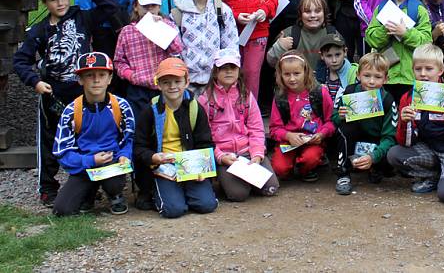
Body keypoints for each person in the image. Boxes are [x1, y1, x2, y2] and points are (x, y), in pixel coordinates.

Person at [13, 0, 116, 206]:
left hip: (82, 94)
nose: (60, 3)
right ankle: (48, 188)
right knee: (50, 141)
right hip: (52, 94)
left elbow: (111, 8)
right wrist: (35, 82)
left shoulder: (83, 17)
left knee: (84, 140)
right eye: (53, 0)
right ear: (45, 3)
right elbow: (20, 60)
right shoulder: (39, 31)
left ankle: (85, 187)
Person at [387, 44, 444, 203]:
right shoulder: (408, 98)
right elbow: (405, 142)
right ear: (412, 70)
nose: (423, 74)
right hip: (429, 149)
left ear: (440, 70)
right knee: (394, 154)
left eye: (429, 69)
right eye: (418, 69)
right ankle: (433, 176)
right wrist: (405, 122)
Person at [52, 52, 135, 216]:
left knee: (113, 182)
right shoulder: (71, 111)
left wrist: (125, 155)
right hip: (85, 164)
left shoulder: (121, 106)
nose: (96, 80)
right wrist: (89, 160)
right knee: (63, 210)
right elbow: (61, 151)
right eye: (89, 75)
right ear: (80, 79)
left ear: (110, 79)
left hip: (112, 162)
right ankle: (88, 194)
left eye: (102, 75)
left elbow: (130, 138)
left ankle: (115, 194)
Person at [134, 58, 218, 218]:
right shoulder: (150, 111)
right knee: (173, 210)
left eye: (177, 81)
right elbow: (139, 146)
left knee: (207, 205)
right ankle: (159, 193)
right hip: (162, 167)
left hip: (190, 166)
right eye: (166, 82)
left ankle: (184, 191)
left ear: (186, 82)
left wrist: (202, 169)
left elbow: (205, 143)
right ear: (158, 84)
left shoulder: (195, 108)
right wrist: (152, 157)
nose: (172, 86)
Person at [197, 49, 280, 201]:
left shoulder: (246, 96)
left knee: (271, 188)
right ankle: (225, 179)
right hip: (225, 156)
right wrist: (220, 156)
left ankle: (246, 179)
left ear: (238, 70)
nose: (228, 71)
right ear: (215, 72)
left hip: (248, 151)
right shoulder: (205, 100)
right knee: (238, 195)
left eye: (233, 68)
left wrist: (257, 154)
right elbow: (204, 136)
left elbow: (256, 128)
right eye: (223, 68)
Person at [365, 0, 433, 101]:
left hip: (411, 77)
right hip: (385, 77)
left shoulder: (419, 9)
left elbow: (427, 42)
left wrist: (405, 33)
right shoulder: (381, 8)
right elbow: (371, 39)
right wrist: (385, 30)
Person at [114, 0, 183, 120]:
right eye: (145, 6)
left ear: (159, 7)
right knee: (141, 126)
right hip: (138, 89)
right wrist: (130, 75)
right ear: (136, 6)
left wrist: (161, 28)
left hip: (164, 87)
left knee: (166, 124)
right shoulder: (127, 32)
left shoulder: (167, 25)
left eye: (153, 6)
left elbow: (177, 50)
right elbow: (119, 61)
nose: (149, 10)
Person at [332, 52, 397, 195]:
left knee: (390, 152)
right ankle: (343, 173)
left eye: (378, 77)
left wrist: (373, 157)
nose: (372, 82)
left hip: (376, 143)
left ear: (386, 79)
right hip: (353, 140)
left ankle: (376, 167)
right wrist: (340, 116)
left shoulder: (387, 100)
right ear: (358, 74)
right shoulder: (349, 92)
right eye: (367, 76)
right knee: (345, 128)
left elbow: (389, 137)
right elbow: (333, 118)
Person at [171, 0, 238, 96]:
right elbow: (174, 47)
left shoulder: (222, 10)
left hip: (215, 78)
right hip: (187, 79)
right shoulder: (178, 13)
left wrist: (227, 72)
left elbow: (231, 44)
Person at [269, 51, 335, 182]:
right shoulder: (280, 97)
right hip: (288, 141)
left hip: (313, 140)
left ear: (305, 72)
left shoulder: (319, 92)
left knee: (311, 158)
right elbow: (274, 128)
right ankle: (291, 165)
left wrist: (322, 134)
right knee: (280, 168)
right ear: (280, 75)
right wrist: (288, 136)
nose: (292, 79)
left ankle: (307, 168)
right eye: (287, 74)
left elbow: (331, 121)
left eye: (296, 73)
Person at [267, 0, 338, 70]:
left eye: (317, 11)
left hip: (324, 81)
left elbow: (344, 66)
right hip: (295, 80)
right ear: (300, 14)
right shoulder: (290, 34)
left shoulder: (332, 34)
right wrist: (279, 47)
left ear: (324, 13)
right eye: (307, 11)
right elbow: (271, 62)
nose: (313, 15)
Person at [314, 32, 359, 101]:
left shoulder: (355, 73)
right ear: (322, 56)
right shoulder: (319, 74)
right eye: (329, 56)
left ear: (345, 52)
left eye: (338, 55)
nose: (334, 60)